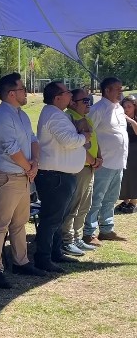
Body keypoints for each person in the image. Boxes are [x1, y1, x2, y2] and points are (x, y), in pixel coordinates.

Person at [0, 73, 45, 289]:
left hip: (23, 175)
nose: (26, 93)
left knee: (20, 222)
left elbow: (33, 140)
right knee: (0, 224)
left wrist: (35, 163)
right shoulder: (2, 116)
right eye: (23, 89)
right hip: (8, 177)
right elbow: (11, 149)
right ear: (11, 93)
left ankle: (21, 262)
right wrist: (30, 167)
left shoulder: (22, 115)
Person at [34, 82, 89, 273]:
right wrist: (84, 137)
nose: (71, 95)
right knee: (51, 219)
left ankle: (55, 252)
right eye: (67, 92)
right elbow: (68, 140)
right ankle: (43, 258)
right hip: (55, 177)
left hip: (60, 176)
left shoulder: (57, 114)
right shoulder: (54, 115)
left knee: (58, 218)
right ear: (57, 98)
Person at [83, 77, 128, 244]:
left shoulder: (119, 108)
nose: (121, 92)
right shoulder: (97, 109)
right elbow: (87, 134)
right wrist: (93, 157)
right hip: (103, 162)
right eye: (117, 89)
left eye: (121, 89)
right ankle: (88, 232)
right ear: (107, 90)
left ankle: (106, 229)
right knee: (96, 198)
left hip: (118, 161)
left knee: (111, 198)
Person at [61, 88, 103, 256]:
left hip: (89, 167)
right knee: (73, 206)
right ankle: (67, 240)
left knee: (84, 206)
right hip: (79, 168)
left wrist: (99, 157)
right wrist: (93, 160)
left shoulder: (85, 118)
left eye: (89, 100)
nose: (88, 104)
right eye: (85, 101)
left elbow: (94, 141)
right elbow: (77, 146)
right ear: (72, 103)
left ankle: (77, 238)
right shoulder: (69, 118)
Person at [116, 95, 137, 213]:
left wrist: (130, 120)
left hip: (135, 149)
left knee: (134, 175)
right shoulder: (121, 118)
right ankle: (126, 199)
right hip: (125, 149)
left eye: (129, 106)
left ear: (134, 107)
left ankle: (133, 201)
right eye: (124, 107)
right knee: (125, 175)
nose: (126, 109)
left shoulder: (133, 119)